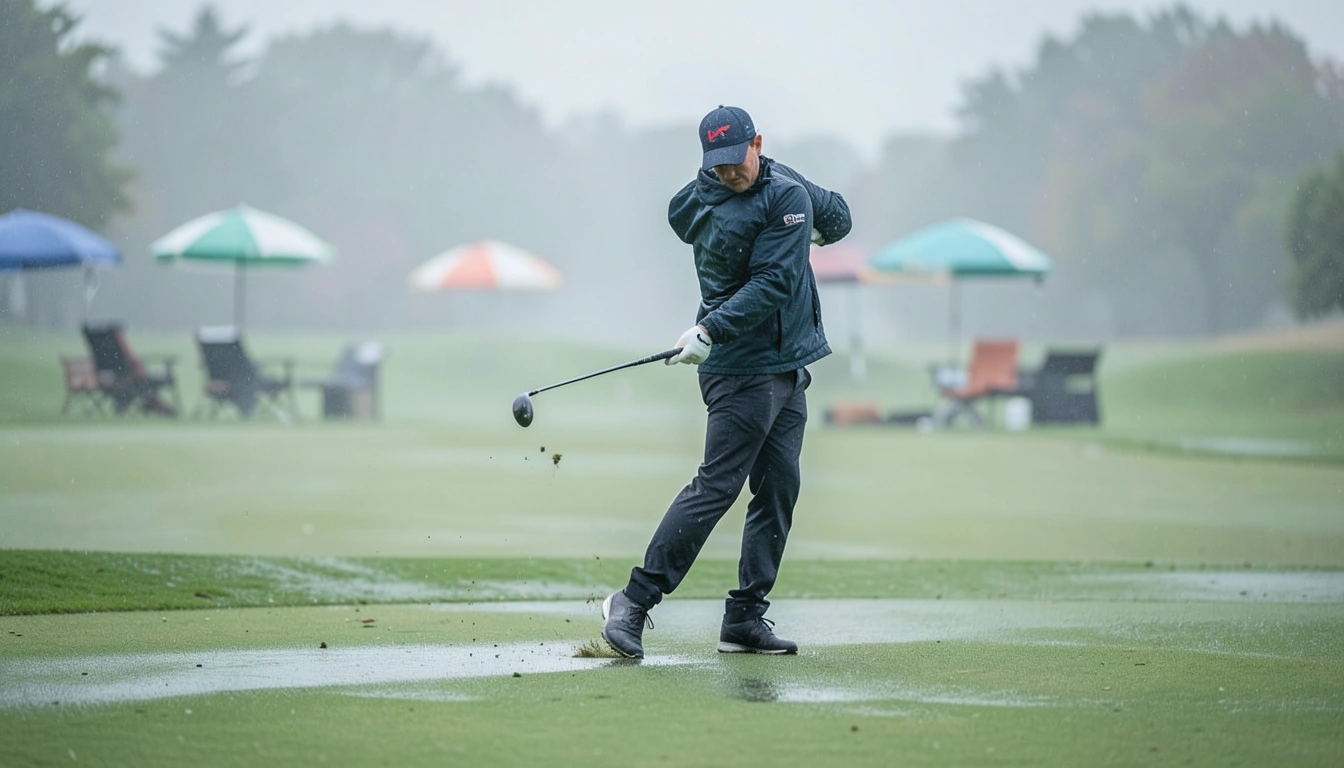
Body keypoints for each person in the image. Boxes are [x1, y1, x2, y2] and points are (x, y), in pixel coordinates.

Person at [602, 105, 851, 658]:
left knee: (779, 486)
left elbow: (838, 220)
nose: (728, 174)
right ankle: (633, 601)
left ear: (756, 143)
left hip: (786, 364)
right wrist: (712, 329)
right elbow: (777, 280)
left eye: (737, 161)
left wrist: (780, 177)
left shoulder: (775, 192)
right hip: (740, 368)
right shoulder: (779, 199)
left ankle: (744, 617)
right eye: (716, 166)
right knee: (717, 486)